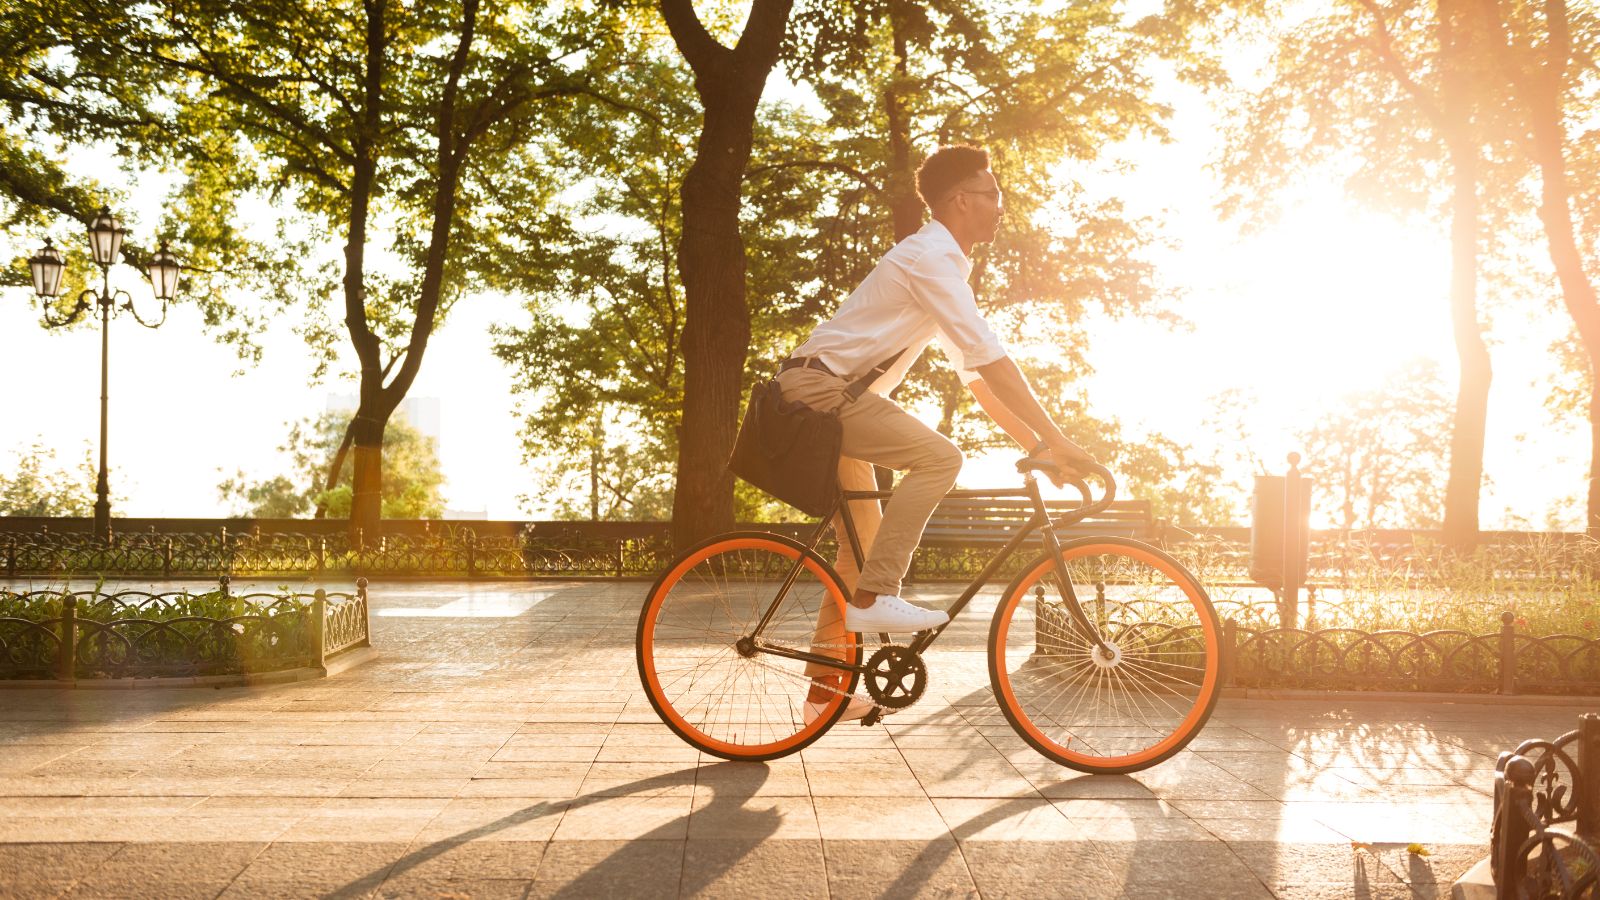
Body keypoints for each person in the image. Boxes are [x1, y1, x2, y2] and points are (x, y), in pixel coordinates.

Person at [774, 144, 1097, 723]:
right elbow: (992, 359)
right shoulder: (929, 256)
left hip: (838, 395)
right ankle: (875, 599)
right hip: (821, 393)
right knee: (941, 458)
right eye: (993, 193)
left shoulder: (942, 265)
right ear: (962, 200)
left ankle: (825, 694)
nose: (1001, 205)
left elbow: (977, 379)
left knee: (862, 549)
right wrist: (1057, 437)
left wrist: (1038, 447)